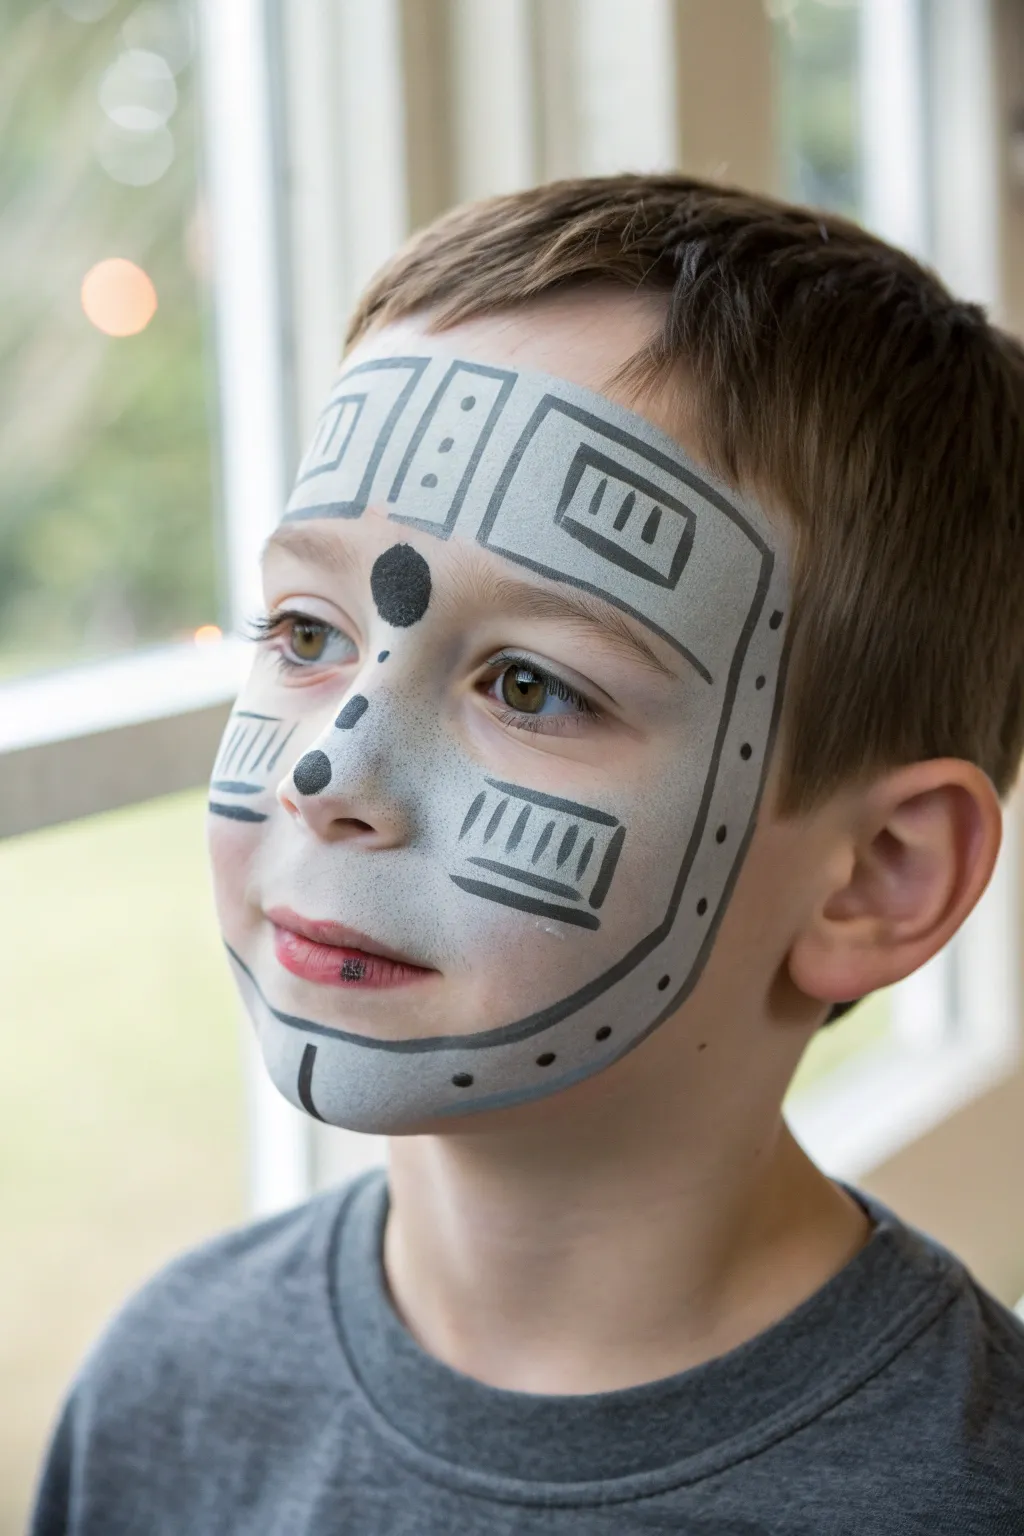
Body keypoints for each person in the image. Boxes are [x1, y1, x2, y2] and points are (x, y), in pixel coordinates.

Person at [31, 175, 1024, 1534]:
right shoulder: (166, 1398)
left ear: (877, 878)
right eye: (308, 634)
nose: (329, 778)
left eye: (531, 686)